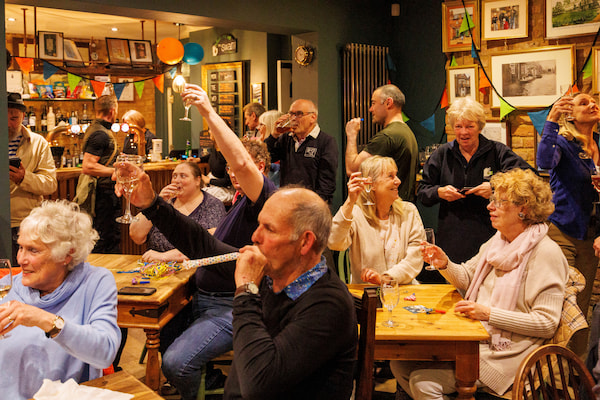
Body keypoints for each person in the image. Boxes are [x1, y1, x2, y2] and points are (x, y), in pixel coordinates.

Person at [119, 169, 357, 398]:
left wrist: (246, 289)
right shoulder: (277, 273)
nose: (255, 236)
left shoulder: (327, 304)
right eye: (259, 225)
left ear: (305, 243)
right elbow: (203, 245)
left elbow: (258, 382)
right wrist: (152, 204)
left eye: (269, 229)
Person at [117, 83, 277, 399]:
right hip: (199, 298)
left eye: (237, 168)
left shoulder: (265, 201)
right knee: (145, 327)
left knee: (176, 363)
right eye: (228, 169)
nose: (233, 173)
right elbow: (200, 242)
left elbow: (205, 245)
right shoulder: (239, 202)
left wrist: (207, 111)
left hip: (229, 305)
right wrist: (151, 205)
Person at [392, 168, 569, 399]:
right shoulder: (499, 241)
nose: (489, 206)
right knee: (400, 364)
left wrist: (487, 313)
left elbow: (546, 323)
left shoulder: (546, 253)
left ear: (523, 209)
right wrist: (445, 263)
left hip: (507, 354)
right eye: (492, 199)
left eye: (499, 201)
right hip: (474, 339)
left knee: (423, 382)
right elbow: (466, 277)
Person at [0, 200, 121, 400]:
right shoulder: (7, 287)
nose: (20, 259)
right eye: (20, 247)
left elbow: (105, 352)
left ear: (67, 254)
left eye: (33, 250)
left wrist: (45, 321)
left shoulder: (95, 282)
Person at [417, 97, 532, 271]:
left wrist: (494, 188)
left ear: (480, 126)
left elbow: (528, 176)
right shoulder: (442, 154)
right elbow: (422, 191)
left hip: (491, 234)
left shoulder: (496, 151)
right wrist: (439, 192)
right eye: (458, 126)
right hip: (452, 237)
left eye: (469, 126)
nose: (464, 132)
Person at [537, 92, 600, 354]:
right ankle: (550, 370)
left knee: (582, 305)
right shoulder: (563, 142)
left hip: (592, 234)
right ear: (570, 114)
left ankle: (577, 372)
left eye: (595, 101)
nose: (593, 105)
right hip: (563, 230)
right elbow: (542, 163)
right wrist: (551, 120)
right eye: (584, 103)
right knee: (563, 302)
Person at [328, 156, 425, 284]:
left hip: (404, 292)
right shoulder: (356, 214)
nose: (398, 181)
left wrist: (386, 279)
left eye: (396, 175)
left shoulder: (409, 211)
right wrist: (350, 201)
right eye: (390, 176)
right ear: (371, 184)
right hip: (368, 295)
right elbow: (334, 242)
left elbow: (416, 257)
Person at [130, 161, 226, 262]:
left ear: (198, 180)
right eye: (174, 176)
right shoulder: (165, 203)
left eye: (183, 176)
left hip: (195, 270)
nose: (176, 180)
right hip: (155, 269)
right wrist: (155, 203)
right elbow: (136, 236)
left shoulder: (211, 205)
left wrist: (165, 256)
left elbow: (212, 245)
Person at [345, 84, 419, 202]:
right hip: (402, 206)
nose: (370, 109)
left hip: (388, 210)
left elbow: (353, 170)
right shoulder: (407, 132)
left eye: (373, 103)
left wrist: (351, 135)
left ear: (388, 103)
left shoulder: (387, 136)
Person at [7, 92, 57, 267]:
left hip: (25, 224)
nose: (8, 124)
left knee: (26, 278)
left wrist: (24, 178)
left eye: (14, 118)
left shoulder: (38, 143)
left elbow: (50, 183)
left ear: (22, 116)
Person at [265, 99, 338, 203]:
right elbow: (267, 157)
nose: (294, 118)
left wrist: (314, 206)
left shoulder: (326, 141)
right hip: (286, 203)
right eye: (291, 114)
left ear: (313, 117)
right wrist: (274, 135)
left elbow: (327, 185)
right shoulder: (286, 138)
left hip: (311, 207)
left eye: (299, 114)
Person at [81, 94, 120, 253]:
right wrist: (117, 171)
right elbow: (88, 166)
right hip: (103, 196)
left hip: (104, 195)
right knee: (105, 239)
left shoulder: (96, 129)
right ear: (112, 111)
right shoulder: (100, 134)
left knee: (106, 238)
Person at [201, 130, 235, 204]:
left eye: (211, 129)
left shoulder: (227, 152)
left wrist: (209, 181)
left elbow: (228, 181)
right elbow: (211, 156)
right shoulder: (216, 148)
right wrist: (198, 159)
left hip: (226, 189)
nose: (209, 131)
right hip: (215, 184)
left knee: (200, 197)